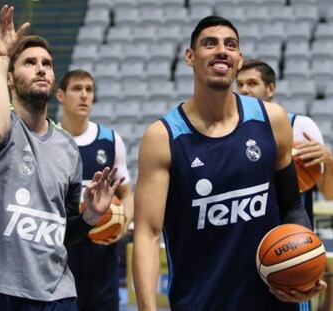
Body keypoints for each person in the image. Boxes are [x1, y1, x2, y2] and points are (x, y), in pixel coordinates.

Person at [132, 15, 326, 311]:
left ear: (238, 59)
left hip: (272, 301)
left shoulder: (272, 120)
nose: (221, 50)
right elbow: (147, 233)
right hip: (200, 301)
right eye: (209, 43)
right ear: (190, 56)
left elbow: (292, 207)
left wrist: (304, 272)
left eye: (230, 45)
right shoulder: (163, 137)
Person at [0, 4, 124, 310]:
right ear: (10, 79)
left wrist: (89, 217)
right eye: (29, 63)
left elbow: (63, 231)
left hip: (56, 294)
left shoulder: (67, 147)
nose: (41, 69)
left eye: (47, 64)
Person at [56, 69, 134, 311]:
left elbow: (127, 195)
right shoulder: (50, 139)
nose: (84, 96)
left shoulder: (110, 140)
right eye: (77, 89)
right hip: (62, 255)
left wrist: (120, 226)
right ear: (60, 95)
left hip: (103, 258)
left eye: (89, 90)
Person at [236, 59, 333, 221]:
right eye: (239, 85)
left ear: (270, 89)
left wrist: (329, 161)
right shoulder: (229, 131)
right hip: (249, 228)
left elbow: (330, 194)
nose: (244, 90)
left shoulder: (301, 125)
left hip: (292, 232)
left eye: (252, 83)